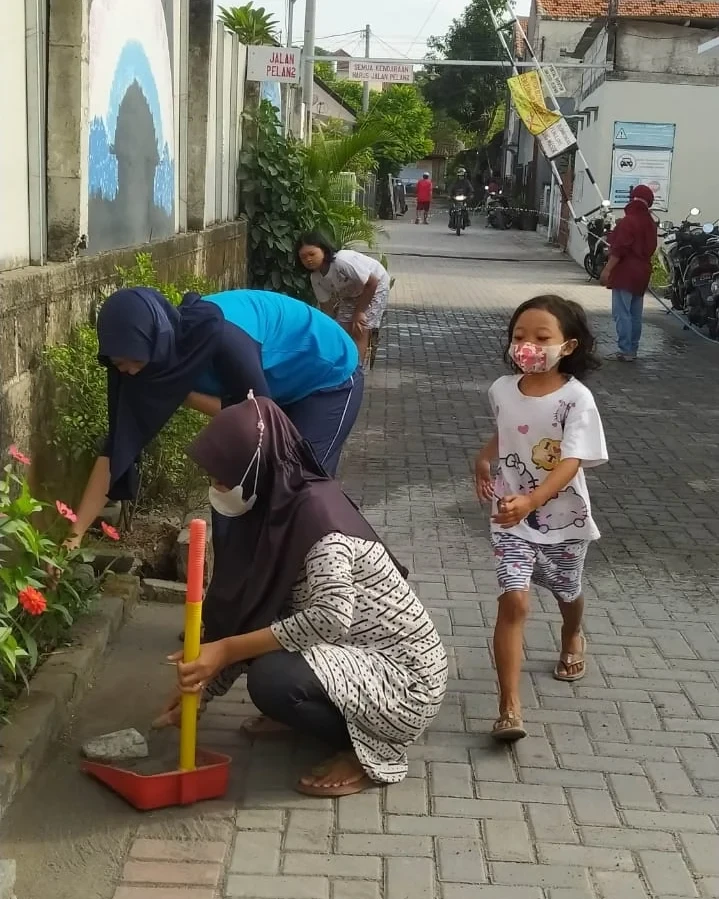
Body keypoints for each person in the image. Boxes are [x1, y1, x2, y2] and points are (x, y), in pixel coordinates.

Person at [158, 396, 448, 797]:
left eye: (222, 477)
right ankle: (318, 713)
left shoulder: (318, 522)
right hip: (358, 658)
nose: (216, 488)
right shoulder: (276, 507)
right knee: (272, 660)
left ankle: (365, 753)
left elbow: (330, 617)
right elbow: (259, 610)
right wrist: (204, 686)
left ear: (253, 467)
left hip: (404, 685)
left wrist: (223, 651)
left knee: (274, 679)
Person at [65, 287, 363, 548]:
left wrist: (181, 393)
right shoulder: (143, 364)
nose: (128, 370)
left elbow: (258, 417)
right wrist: (74, 535)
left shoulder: (220, 337)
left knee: (298, 491)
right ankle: (236, 604)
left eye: (133, 361)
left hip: (327, 374)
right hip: (271, 391)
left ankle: (320, 590)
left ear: (154, 340)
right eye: (118, 363)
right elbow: (116, 451)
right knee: (229, 506)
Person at [475, 295, 607, 742]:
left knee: (567, 590)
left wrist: (534, 500)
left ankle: (573, 633)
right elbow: (507, 428)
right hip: (510, 517)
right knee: (515, 600)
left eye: (540, 337)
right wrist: (484, 458)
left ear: (567, 346)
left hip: (563, 518)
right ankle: (509, 707)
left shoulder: (576, 398)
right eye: (519, 336)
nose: (527, 345)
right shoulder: (500, 388)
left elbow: (572, 460)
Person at [297, 232, 391, 363]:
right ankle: (343, 365)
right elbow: (326, 308)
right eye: (303, 257)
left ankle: (357, 371)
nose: (308, 259)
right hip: (351, 293)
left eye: (312, 254)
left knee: (359, 326)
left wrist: (359, 312)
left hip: (375, 286)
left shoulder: (341, 261)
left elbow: (372, 282)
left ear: (323, 250)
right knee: (342, 327)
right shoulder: (316, 278)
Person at [600, 184, 658, 362]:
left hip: (626, 271)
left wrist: (607, 270)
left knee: (622, 312)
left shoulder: (628, 221)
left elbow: (620, 249)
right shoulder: (651, 223)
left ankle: (625, 350)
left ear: (632, 199)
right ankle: (632, 349)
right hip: (642, 271)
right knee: (635, 314)